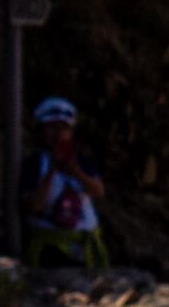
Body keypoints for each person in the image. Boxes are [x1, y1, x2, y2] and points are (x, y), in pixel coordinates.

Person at [22, 97, 110, 269]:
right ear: (40, 130)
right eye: (52, 127)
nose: (58, 134)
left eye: (64, 128)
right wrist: (51, 171)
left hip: (84, 249)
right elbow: (34, 206)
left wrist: (76, 172)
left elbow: (98, 191)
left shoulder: (81, 161)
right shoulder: (33, 164)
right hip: (49, 250)